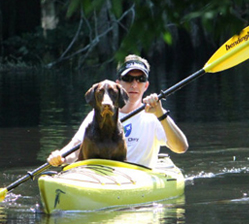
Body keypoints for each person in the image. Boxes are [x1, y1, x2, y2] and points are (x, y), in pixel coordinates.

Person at [47, 54, 188, 168]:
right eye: (128, 78)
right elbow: (76, 148)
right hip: (102, 178)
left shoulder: (154, 117)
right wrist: (61, 156)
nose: (134, 84)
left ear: (146, 85)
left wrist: (160, 113)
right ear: (118, 84)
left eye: (140, 79)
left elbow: (181, 148)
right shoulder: (97, 115)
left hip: (138, 179)